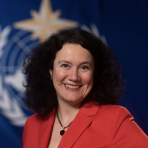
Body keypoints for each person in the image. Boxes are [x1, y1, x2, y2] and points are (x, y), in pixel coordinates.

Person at [22, 29, 148, 148]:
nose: (74, 77)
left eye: (84, 67)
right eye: (65, 65)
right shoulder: (32, 124)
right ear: (50, 71)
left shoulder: (114, 119)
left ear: (94, 73)